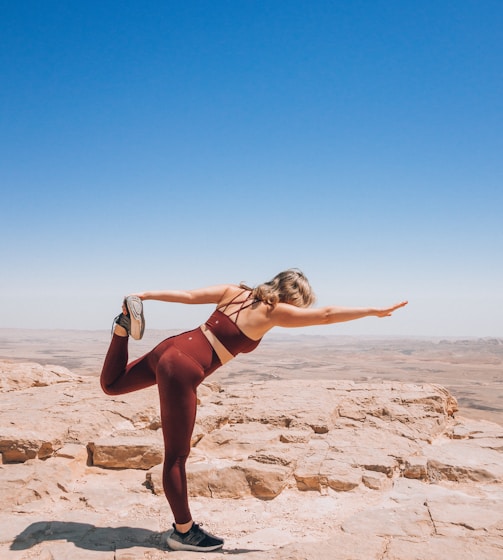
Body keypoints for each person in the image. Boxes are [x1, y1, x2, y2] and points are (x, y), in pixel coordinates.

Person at [100, 269, 407, 552]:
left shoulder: (234, 291)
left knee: (112, 384)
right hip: (183, 368)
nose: (298, 311)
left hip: (172, 346)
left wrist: (145, 295)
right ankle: (183, 532)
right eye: (300, 304)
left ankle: (121, 330)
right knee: (177, 457)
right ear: (293, 297)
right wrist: (373, 311)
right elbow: (325, 316)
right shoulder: (274, 311)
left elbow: (188, 296)